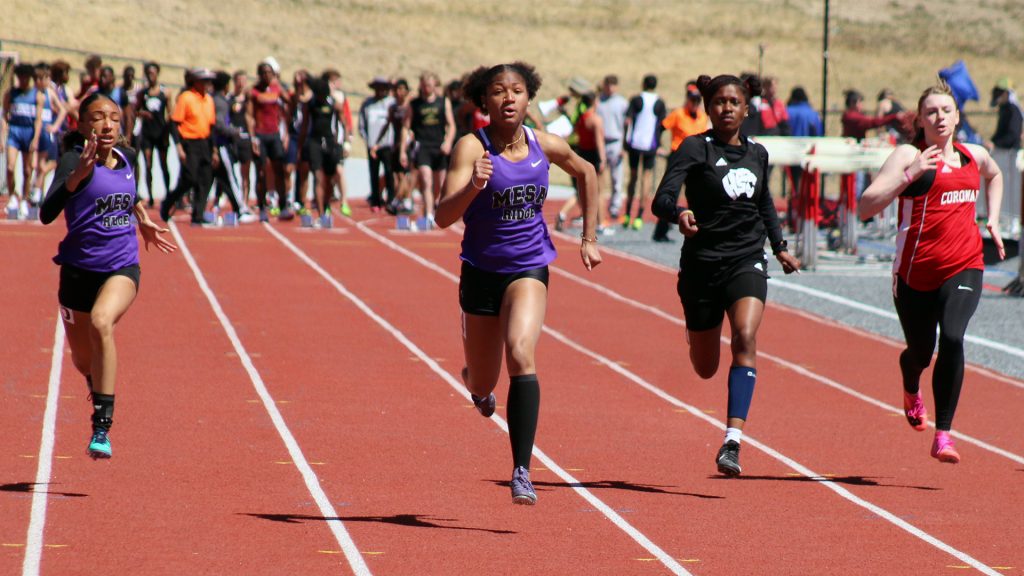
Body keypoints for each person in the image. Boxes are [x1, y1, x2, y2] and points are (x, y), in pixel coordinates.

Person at [435, 62, 602, 504]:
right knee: (483, 381)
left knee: (521, 352)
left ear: (529, 99)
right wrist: (473, 185)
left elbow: (587, 172)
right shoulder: (472, 148)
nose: (508, 98)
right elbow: (441, 217)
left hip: (529, 267)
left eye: (517, 90)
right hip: (480, 272)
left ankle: (522, 470)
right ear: (484, 101)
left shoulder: (542, 144)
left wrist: (589, 237)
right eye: (498, 91)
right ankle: (475, 383)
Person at [652, 74, 800, 477]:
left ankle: (732, 442)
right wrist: (678, 212)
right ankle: (697, 327)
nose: (727, 108)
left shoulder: (758, 153)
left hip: (746, 259)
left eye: (735, 102)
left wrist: (780, 245)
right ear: (708, 108)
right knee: (705, 367)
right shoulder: (693, 148)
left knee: (746, 336)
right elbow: (661, 198)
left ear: (747, 109)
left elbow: (765, 201)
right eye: (719, 101)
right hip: (701, 265)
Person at [858, 82, 1005, 463]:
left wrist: (993, 220)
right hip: (914, 273)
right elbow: (865, 206)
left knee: (953, 337)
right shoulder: (909, 154)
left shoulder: (973, 155)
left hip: (964, 264)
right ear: (920, 121)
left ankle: (944, 434)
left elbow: (995, 174)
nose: (940, 117)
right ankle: (910, 383)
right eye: (931, 112)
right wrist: (908, 176)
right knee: (920, 353)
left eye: (946, 110)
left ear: (957, 117)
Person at [40, 92, 176, 458]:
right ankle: (95, 380)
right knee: (83, 361)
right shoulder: (71, 159)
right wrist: (77, 178)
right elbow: (46, 213)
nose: (107, 124)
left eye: (114, 118)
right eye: (98, 117)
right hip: (76, 274)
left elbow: (129, 195)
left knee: (102, 322)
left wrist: (143, 219)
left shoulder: (128, 158)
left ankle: (102, 427)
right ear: (83, 125)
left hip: (121, 267)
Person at [654, 81, 708, 242]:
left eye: (698, 100)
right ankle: (660, 231)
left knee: (699, 194)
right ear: (687, 99)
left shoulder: (703, 117)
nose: (695, 103)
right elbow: (661, 127)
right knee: (671, 195)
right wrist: (657, 146)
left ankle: (698, 228)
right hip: (678, 157)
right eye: (693, 100)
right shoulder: (678, 114)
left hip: (698, 160)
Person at [401, 72, 456, 226]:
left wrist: (448, 142)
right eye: (424, 85)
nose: (426, 88)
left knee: (440, 185)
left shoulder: (443, 102)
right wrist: (402, 151)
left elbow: (451, 125)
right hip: (422, 146)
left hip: (439, 147)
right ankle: (429, 215)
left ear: (434, 85)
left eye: (430, 85)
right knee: (426, 179)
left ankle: (435, 206)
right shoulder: (415, 104)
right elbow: (405, 127)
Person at [163, 68, 216, 226]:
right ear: (197, 82)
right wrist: (179, 147)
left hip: (205, 142)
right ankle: (169, 202)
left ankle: (198, 215)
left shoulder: (209, 100)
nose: (208, 84)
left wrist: (214, 150)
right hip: (190, 143)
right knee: (190, 178)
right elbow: (174, 122)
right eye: (205, 81)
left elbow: (211, 127)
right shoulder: (186, 97)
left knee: (206, 179)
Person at [247, 61, 292, 222]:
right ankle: (262, 207)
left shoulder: (277, 89)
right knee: (261, 172)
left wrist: (286, 132)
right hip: (260, 135)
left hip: (274, 135)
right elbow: (249, 116)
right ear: (259, 75)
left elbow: (290, 102)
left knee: (279, 170)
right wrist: (253, 138)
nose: (267, 76)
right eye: (264, 73)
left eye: (269, 73)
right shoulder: (253, 92)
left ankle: (283, 206)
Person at [556, 91, 606, 232]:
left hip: (582, 153)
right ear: (595, 102)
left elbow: (575, 133)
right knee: (598, 191)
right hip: (594, 155)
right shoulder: (595, 119)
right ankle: (600, 223)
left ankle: (585, 219)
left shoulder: (582, 118)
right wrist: (602, 159)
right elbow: (599, 141)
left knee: (583, 189)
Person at [623, 74, 666, 230]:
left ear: (643, 84)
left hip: (634, 143)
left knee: (633, 176)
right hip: (650, 145)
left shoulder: (636, 100)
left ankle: (627, 213)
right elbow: (662, 125)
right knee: (646, 178)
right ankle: (639, 216)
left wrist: (624, 144)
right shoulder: (659, 102)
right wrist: (659, 143)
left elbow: (627, 121)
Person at [300, 77, 346, 221]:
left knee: (329, 178)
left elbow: (343, 124)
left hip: (330, 142)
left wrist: (343, 142)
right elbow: (305, 125)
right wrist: (301, 146)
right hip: (315, 142)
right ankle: (320, 213)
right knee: (318, 177)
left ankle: (326, 205)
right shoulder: (310, 105)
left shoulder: (334, 105)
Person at [2, 63, 43, 218]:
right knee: (11, 167)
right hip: (14, 132)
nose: (23, 80)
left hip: (29, 133)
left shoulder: (37, 95)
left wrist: (36, 138)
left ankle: (25, 200)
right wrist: (3, 135)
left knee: (27, 170)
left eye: (25, 77)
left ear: (30, 78)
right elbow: (5, 115)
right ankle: (13, 195)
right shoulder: (11, 94)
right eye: (20, 77)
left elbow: (38, 120)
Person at [135, 62, 172, 207]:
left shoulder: (165, 92)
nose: (151, 76)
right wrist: (142, 113)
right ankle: (150, 196)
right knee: (148, 164)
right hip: (147, 134)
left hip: (161, 133)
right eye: (148, 73)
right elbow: (135, 111)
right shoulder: (142, 93)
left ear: (157, 74)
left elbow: (171, 113)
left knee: (163, 164)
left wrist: (168, 130)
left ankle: (168, 193)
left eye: (153, 73)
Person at [360, 76, 396, 212]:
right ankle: (375, 199)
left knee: (389, 172)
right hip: (371, 145)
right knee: (373, 173)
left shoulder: (391, 103)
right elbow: (362, 125)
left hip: (387, 145)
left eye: (383, 88)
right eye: (378, 88)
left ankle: (391, 199)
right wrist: (368, 141)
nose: (380, 91)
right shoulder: (367, 104)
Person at [597, 75, 628, 220]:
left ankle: (615, 207)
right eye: (607, 85)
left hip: (616, 141)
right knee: (599, 177)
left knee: (617, 178)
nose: (610, 88)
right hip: (602, 142)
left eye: (612, 85)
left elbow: (626, 125)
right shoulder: (599, 102)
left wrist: (623, 146)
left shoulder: (622, 103)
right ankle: (599, 206)